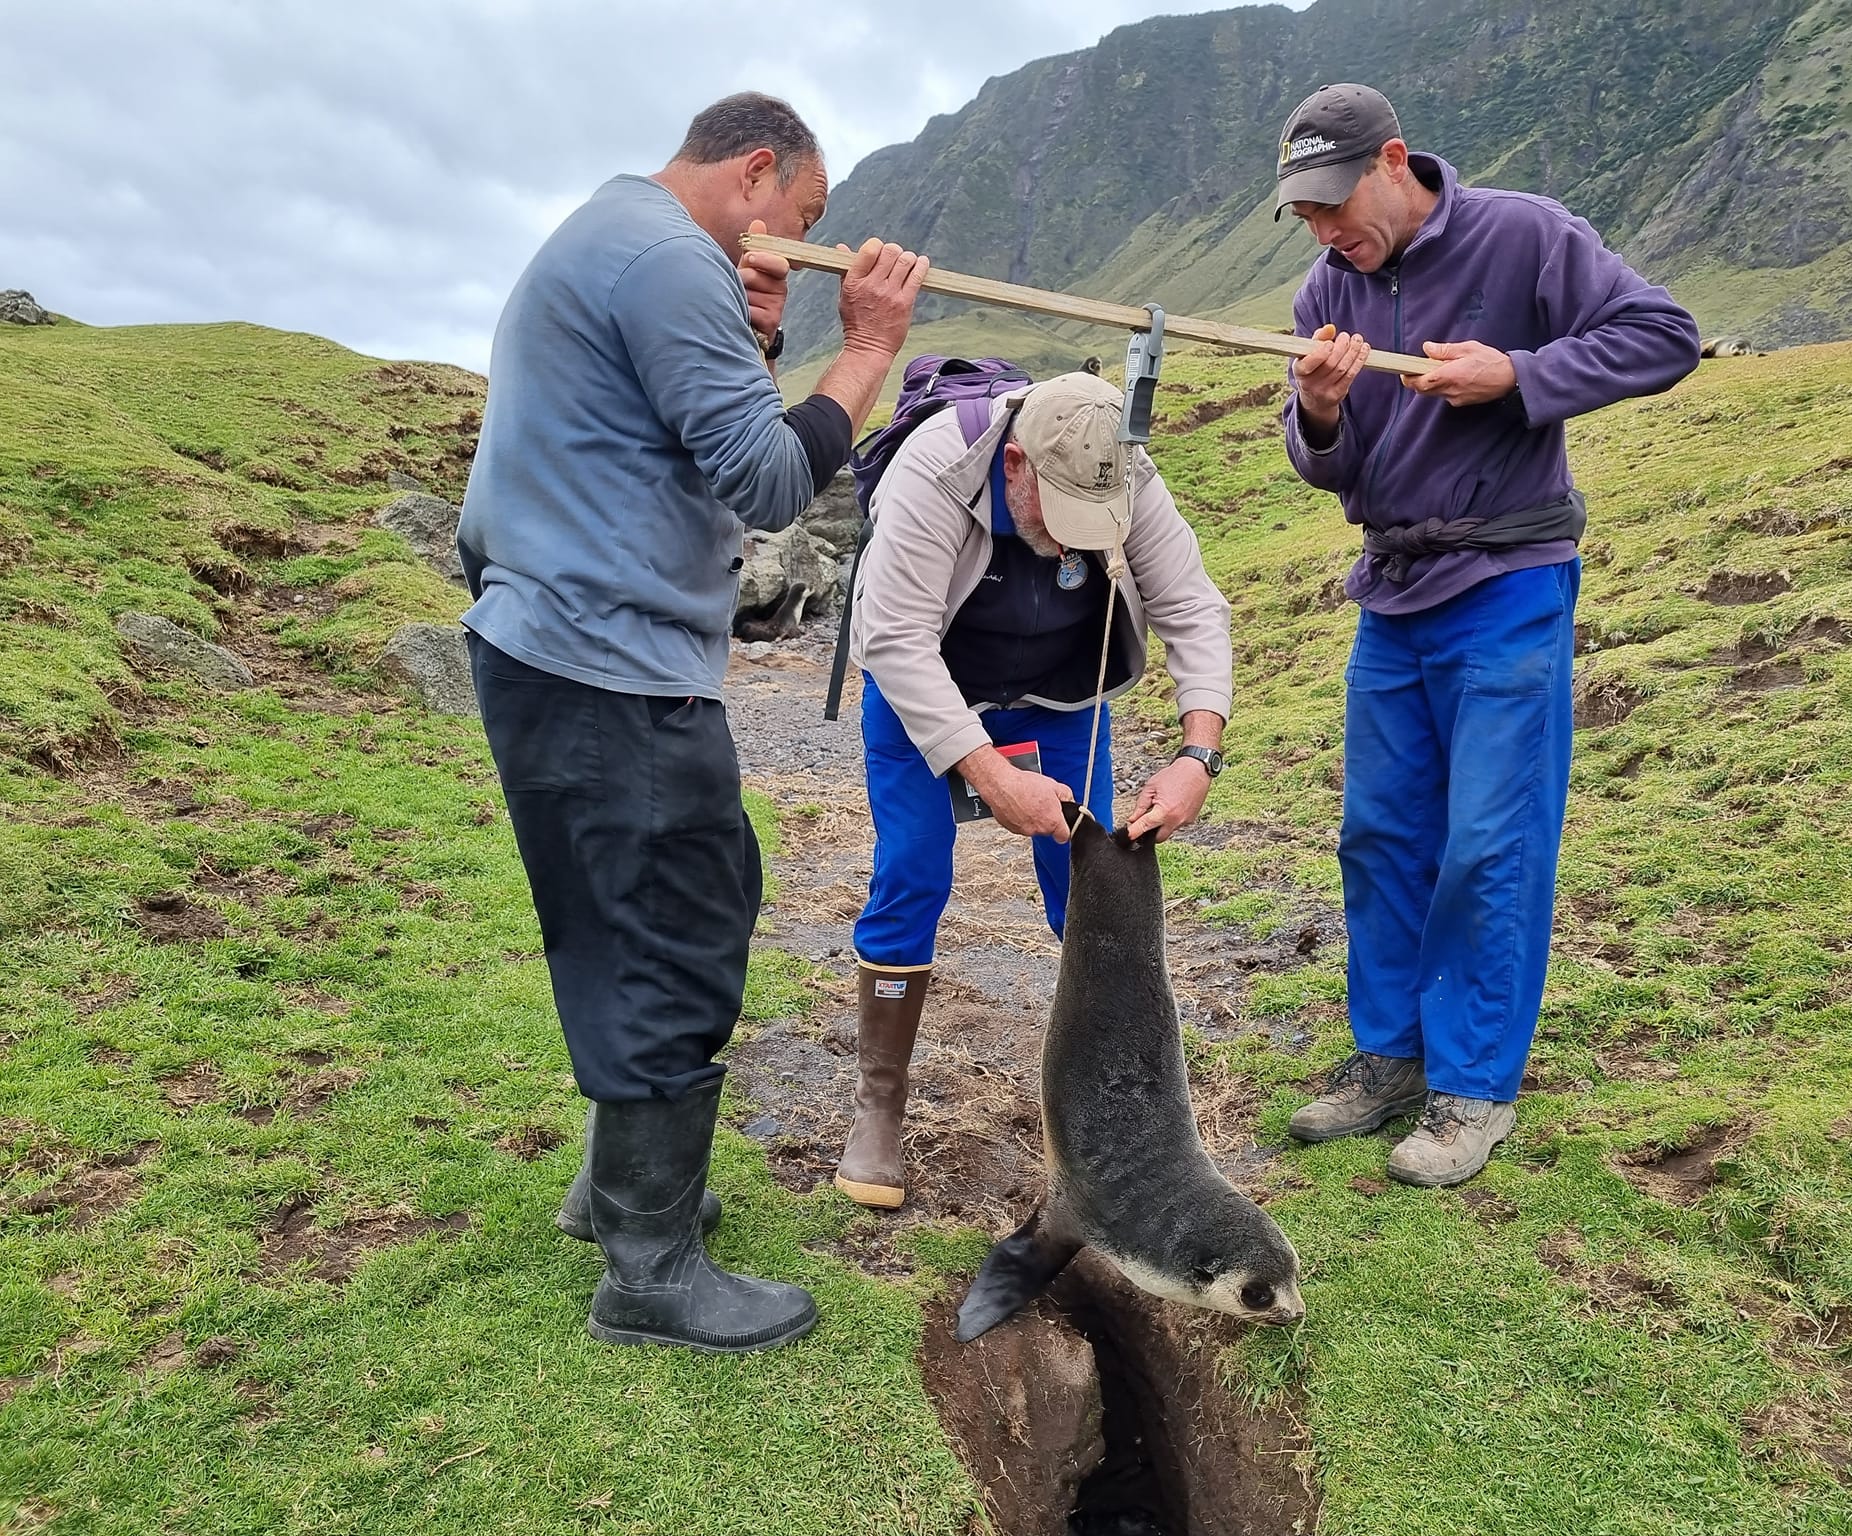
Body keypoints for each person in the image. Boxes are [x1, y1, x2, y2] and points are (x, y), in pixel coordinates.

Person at [455, 92, 928, 1352]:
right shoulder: (668, 257)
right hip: (606, 667)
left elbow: (686, 436)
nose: (804, 236)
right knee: (677, 928)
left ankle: (622, 1191)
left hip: (564, 652)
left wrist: (760, 339)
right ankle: (649, 1273)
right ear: (756, 173)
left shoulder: (621, 236)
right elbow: (770, 480)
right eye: (805, 215)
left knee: (651, 908)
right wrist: (868, 346)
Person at [1273, 84, 1699, 1186]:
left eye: (1334, 204)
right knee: (1376, 834)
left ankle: (1471, 1089)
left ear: (1394, 160)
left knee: (1487, 844)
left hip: (1508, 581)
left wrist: (1519, 376)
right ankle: (1390, 1059)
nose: (1326, 232)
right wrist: (1317, 413)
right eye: (1306, 215)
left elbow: (1662, 335)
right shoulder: (1326, 287)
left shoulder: (1523, 235)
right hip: (1393, 590)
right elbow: (1339, 466)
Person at [834, 371, 1233, 1210]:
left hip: (1061, 697)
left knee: (1097, 884)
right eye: (1059, 519)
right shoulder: (935, 468)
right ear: (1014, 464)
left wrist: (1199, 754)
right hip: (930, 690)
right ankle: (880, 1102)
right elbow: (894, 636)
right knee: (912, 874)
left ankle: (1117, 1109)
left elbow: (1191, 607)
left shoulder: (1127, 470)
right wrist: (987, 773)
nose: (1071, 545)